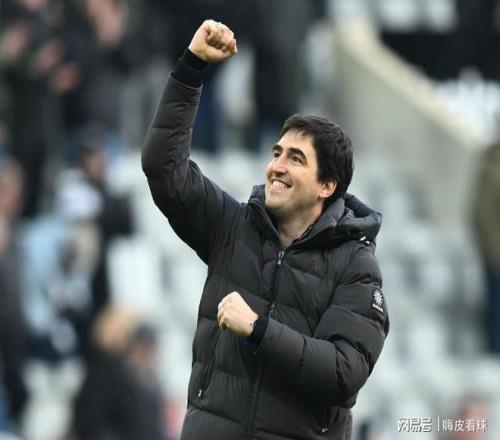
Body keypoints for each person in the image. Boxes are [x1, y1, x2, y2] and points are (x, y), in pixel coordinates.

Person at [142, 20, 389, 440]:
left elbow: (342, 372)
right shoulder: (232, 226)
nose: (276, 166)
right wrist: (191, 68)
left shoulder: (356, 265)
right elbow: (163, 168)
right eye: (277, 153)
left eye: (296, 158)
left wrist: (259, 329)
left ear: (327, 186)